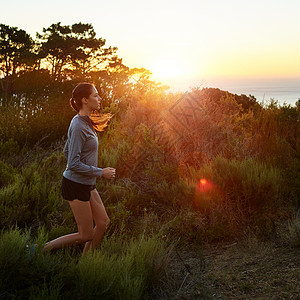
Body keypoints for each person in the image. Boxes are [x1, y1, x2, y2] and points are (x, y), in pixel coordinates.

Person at [43, 82, 116, 256]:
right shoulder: (77, 125)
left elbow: (66, 150)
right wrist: (100, 172)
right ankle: (39, 249)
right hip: (75, 185)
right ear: (85, 99)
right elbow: (73, 163)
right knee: (86, 234)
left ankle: (85, 264)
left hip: (86, 183)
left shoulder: (85, 121)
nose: (100, 98)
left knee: (103, 222)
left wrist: (88, 172)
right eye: (96, 95)